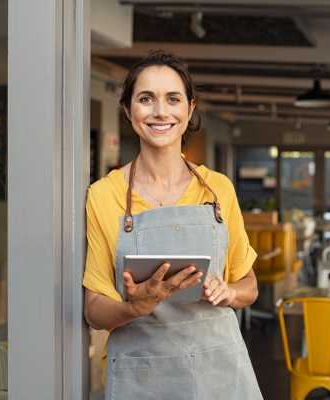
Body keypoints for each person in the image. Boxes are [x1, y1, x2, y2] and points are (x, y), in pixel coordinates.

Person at [82, 51, 263, 399]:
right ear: (127, 110)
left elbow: (249, 284)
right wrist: (135, 307)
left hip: (218, 370)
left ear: (190, 109)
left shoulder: (218, 189)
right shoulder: (105, 195)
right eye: (146, 99)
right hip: (144, 374)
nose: (160, 112)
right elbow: (94, 310)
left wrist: (229, 292)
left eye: (173, 99)